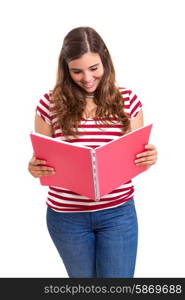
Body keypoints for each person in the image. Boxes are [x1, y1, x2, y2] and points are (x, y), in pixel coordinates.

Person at [28, 26, 158, 278]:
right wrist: (34, 167)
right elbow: (41, 161)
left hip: (118, 214)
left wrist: (148, 158)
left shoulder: (128, 101)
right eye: (77, 71)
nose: (86, 78)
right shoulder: (49, 103)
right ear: (66, 70)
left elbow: (135, 158)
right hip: (66, 218)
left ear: (105, 62)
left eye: (94, 68)